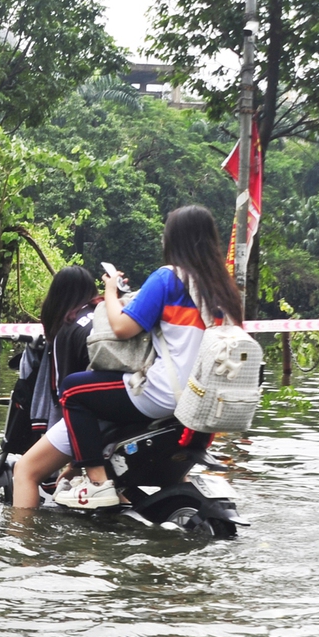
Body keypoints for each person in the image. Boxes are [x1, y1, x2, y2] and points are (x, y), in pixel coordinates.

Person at [53, 205, 243, 510]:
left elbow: (121, 327)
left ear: (173, 240)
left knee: (73, 390)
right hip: (208, 402)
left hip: (166, 395)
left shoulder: (168, 278)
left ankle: (97, 481)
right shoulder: (225, 289)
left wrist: (111, 290)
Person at [10, 265, 102, 509]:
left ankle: (22, 538)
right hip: (133, 407)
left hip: (95, 417)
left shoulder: (68, 330)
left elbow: (65, 395)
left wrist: (72, 462)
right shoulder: (107, 315)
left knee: (25, 471)